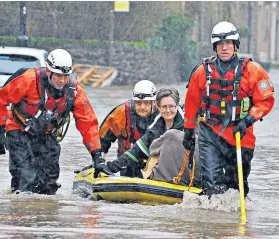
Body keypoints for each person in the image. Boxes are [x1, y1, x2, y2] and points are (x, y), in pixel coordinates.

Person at [0, 49, 108, 195]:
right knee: (26, 178)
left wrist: (96, 155)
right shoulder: (28, 80)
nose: (62, 81)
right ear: (48, 72)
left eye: (66, 76)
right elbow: (1, 100)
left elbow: (89, 124)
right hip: (18, 129)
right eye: (58, 76)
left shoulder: (75, 92)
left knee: (48, 182)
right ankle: (19, 211)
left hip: (47, 134)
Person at [183, 21, 275, 197]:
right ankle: (214, 219)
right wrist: (188, 131)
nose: (224, 48)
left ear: (235, 45)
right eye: (220, 44)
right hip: (210, 133)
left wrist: (248, 120)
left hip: (240, 134)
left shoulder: (253, 70)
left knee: (237, 187)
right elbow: (192, 104)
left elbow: (266, 100)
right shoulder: (202, 72)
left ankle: (233, 219)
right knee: (211, 183)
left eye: (228, 43)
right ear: (215, 47)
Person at [96, 88, 201, 187]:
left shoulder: (190, 123)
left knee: (170, 136)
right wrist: (109, 166)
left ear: (177, 106)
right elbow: (135, 152)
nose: (168, 110)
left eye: (171, 106)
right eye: (164, 107)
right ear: (158, 107)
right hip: (168, 170)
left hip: (192, 168)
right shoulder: (155, 128)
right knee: (137, 165)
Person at [99, 80, 159, 177]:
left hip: (154, 165)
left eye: (147, 103)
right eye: (138, 103)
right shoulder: (121, 113)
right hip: (126, 164)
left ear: (154, 102)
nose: (142, 107)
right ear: (134, 101)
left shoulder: (163, 114)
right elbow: (103, 140)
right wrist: (99, 162)